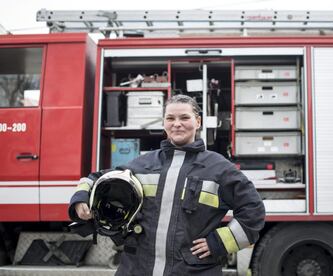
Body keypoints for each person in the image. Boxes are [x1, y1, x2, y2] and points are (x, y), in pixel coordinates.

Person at [68, 94, 265, 276]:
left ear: (198, 122)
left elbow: (253, 211)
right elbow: (95, 179)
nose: (177, 124)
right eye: (170, 118)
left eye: (184, 118)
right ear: (164, 123)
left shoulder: (219, 169)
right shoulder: (143, 164)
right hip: (137, 268)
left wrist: (219, 242)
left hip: (193, 269)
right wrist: (80, 200)